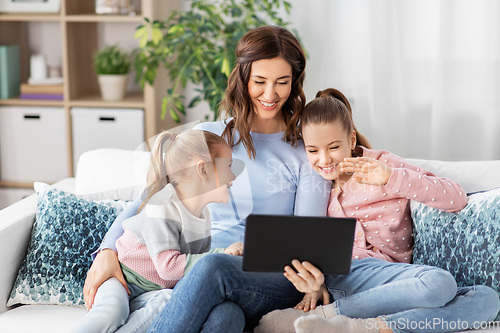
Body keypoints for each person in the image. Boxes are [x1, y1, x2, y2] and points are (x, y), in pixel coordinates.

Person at [146, 89, 500, 333]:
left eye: (334, 147)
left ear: (352, 140)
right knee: (225, 312)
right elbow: (304, 245)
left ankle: (351, 323)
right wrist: (311, 283)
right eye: (313, 150)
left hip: (386, 281)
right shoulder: (316, 184)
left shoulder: (383, 166)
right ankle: (346, 319)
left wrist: (392, 178)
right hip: (336, 279)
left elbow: (455, 197)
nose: (324, 159)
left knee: (481, 297)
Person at [83, 25, 331, 330]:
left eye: (282, 82)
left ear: (295, 83)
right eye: (259, 81)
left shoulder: (306, 151)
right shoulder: (211, 137)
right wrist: (107, 251)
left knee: (215, 266)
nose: (271, 94)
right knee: (225, 319)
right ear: (243, 79)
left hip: (266, 276)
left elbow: (310, 237)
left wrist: (314, 278)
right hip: (187, 270)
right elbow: (149, 200)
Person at [73, 129, 244, 333]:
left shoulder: (204, 215)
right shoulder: (162, 207)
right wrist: (220, 255)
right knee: (112, 311)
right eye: (228, 167)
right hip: (122, 278)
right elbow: (169, 268)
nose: (233, 176)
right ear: (203, 170)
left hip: (152, 289)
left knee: (167, 300)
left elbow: (191, 267)